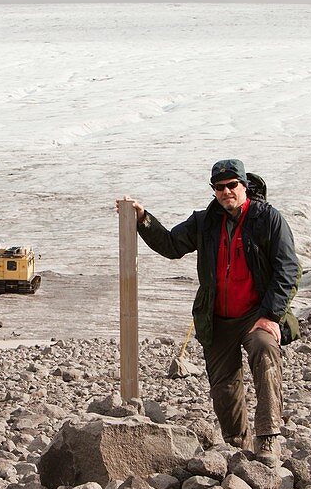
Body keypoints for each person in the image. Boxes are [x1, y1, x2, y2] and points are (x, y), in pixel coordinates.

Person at [119, 158, 300, 466]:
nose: (226, 191)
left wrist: (270, 315)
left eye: (232, 185)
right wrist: (143, 219)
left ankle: (268, 438)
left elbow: (289, 269)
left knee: (265, 350)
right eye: (219, 187)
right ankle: (237, 446)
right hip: (217, 318)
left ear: (244, 186)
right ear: (214, 190)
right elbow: (172, 245)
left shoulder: (268, 219)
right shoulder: (204, 222)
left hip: (257, 314)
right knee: (224, 386)